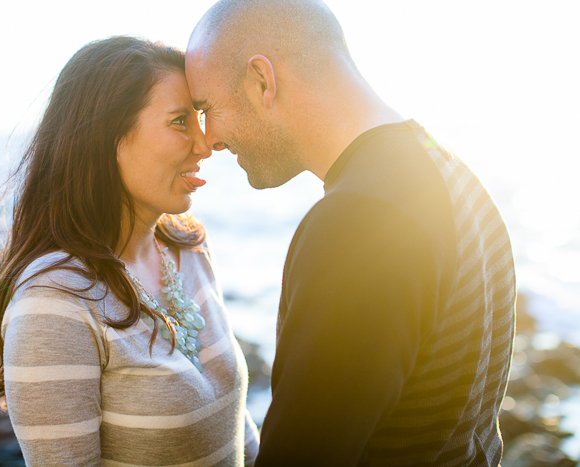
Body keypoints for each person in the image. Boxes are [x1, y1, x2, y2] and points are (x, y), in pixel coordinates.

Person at [185, 0, 516, 465]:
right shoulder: (452, 173)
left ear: (262, 80)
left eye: (206, 108)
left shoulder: (356, 227)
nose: (209, 139)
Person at [0, 36, 259, 466]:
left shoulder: (188, 248)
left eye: (199, 118)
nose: (205, 145)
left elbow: (237, 431)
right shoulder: (53, 300)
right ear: (106, 138)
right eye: (181, 121)